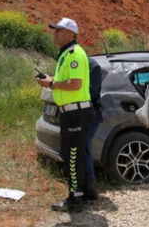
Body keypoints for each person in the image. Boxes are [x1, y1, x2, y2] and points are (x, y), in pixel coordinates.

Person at [36, 17, 95, 213]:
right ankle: (85, 193)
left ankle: (75, 199)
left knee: (72, 156)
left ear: (70, 34)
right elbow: (66, 81)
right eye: (55, 30)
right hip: (71, 113)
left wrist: (51, 85)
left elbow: (75, 85)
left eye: (59, 31)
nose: (55, 33)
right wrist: (49, 79)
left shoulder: (75, 53)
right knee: (73, 155)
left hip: (77, 113)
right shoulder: (65, 54)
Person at [82, 57, 104, 201]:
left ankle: (89, 189)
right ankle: (86, 188)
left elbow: (91, 93)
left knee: (84, 149)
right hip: (81, 114)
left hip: (89, 114)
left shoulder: (92, 66)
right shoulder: (87, 65)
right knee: (82, 150)